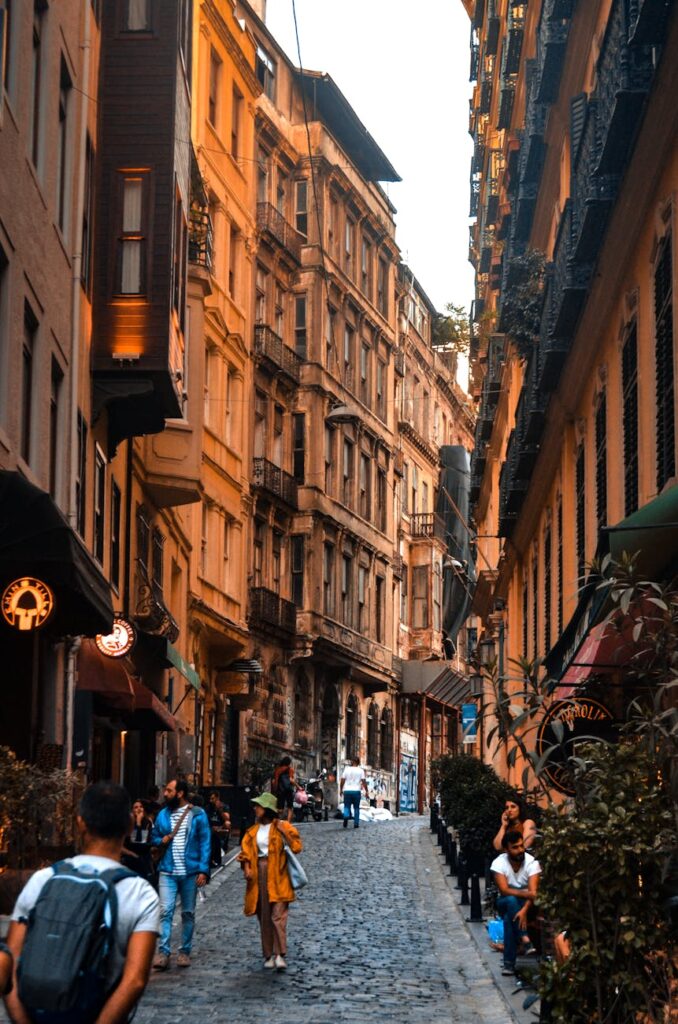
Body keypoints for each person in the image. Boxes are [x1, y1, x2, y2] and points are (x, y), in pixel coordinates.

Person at [3, 781, 159, 1024]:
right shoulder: (140, 893)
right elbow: (135, 980)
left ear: (80, 823)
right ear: (129, 826)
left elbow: (8, 965)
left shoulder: (43, 880)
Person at [237, 793, 302, 972]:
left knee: (278, 915)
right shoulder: (252, 832)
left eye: (258, 806)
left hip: (279, 874)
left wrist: (284, 831)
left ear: (266, 809)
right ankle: (268, 954)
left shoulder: (281, 827)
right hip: (259, 874)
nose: (255, 809)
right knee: (264, 915)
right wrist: (247, 868)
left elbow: (297, 847)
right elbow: (245, 854)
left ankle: (280, 953)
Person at [151, 778, 211, 970]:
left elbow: (205, 842)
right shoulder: (162, 815)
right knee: (165, 911)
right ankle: (163, 952)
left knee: (188, 912)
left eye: (169, 790)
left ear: (180, 793)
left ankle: (184, 951)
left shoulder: (198, 814)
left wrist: (203, 869)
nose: (165, 793)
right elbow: (154, 837)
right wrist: (161, 839)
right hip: (167, 871)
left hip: (190, 872)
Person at [491, 830, 541, 976]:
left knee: (509, 919)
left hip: (528, 906)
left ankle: (509, 965)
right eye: (515, 847)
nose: (520, 850)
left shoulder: (532, 863)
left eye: (521, 846)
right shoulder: (499, 863)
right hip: (504, 902)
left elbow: (534, 894)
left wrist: (524, 910)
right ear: (506, 850)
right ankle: (525, 938)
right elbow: (504, 890)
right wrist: (526, 893)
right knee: (511, 901)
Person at [122, 799, 155, 882]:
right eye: (136, 807)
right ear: (132, 810)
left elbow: (143, 840)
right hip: (130, 860)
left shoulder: (147, 822)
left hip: (143, 860)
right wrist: (138, 823)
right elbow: (133, 840)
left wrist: (140, 823)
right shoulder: (128, 822)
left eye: (141, 807)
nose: (139, 809)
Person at [340, 756, 369, 829]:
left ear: (352, 762)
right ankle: (356, 823)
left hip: (347, 790)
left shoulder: (347, 769)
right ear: (358, 762)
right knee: (356, 808)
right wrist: (366, 791)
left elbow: (342, 780)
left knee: (347, 806)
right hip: (356, 791)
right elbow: (364, 781)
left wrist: (341, 789)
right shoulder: (360, 771)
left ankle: (346, 816)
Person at [206, 790, 231, 867]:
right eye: (210, 799)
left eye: (213, 799)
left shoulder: (224, 806)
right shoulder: (208, 807)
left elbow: (227, 819)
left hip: (221, 828)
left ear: (217, 798)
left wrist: (220, 810)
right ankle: (212, 858)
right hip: (211, 829)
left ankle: (216, 856)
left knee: (227, 824)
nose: (211, 801)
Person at [272, 756, 296, 824]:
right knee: (290, 807)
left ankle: (277, 821)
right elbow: (291, 780)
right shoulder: (290, 769)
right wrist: (298, 786)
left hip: (281, 790)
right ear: (289, 763)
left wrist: (275, 790)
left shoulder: (278, 770)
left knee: (280, 808)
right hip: (289, 790)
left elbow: (276, 781)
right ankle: (288, 823)